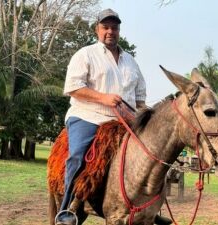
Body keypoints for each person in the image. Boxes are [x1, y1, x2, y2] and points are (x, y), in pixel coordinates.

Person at [56, 8, 172, 225]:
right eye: (105, 27)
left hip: (125, 120)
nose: (110, 31)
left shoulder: (131, 62)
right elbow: (73, 88)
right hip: (88, 115)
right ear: (97, 30)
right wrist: (103, 98)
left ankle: (151, 208)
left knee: (154, 155)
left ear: (119, 30)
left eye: (114, 27)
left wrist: (154, 116)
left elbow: (139, 101)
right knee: (78, 156)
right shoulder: (85, 54)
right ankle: (67, 210)